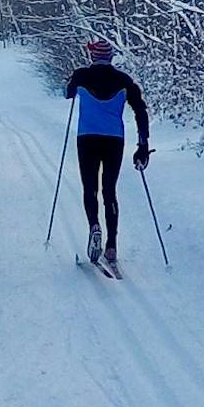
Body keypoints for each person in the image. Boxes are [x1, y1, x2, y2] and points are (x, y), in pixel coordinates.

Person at [66, 38, 151, 268]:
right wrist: (143, 144)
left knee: (90, 188)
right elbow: (140, 110)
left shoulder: (82, 75)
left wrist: (75, 82)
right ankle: (111, 246)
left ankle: (94, 225)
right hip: (114, 140)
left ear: (93, 57)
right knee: (109, 190)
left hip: (87, 138)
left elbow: (68, 93)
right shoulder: (123, 80)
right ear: (111, 56)